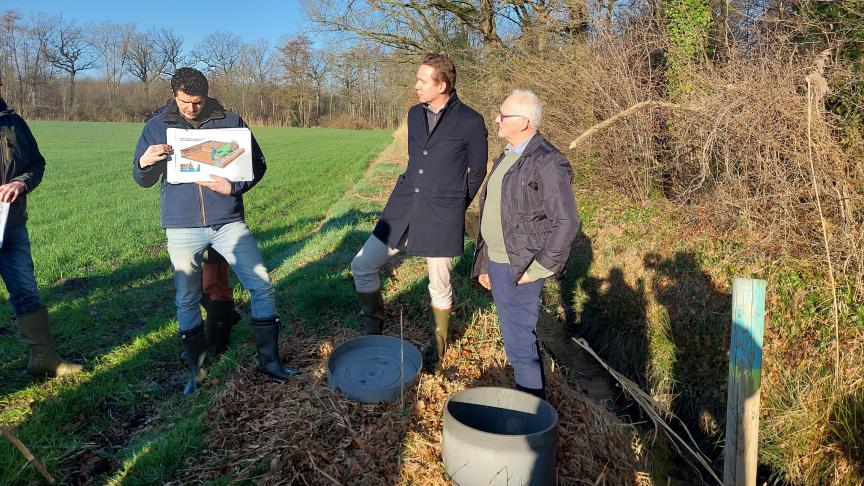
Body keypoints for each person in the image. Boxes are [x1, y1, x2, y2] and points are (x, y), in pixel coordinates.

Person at [133, 68, 297, 395]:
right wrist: (144, 163)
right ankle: (197, 374)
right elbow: (142, 180)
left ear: (206, 96)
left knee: (261, 284)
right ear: (174, 95)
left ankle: (270, 362)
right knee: (187, 297)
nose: (191, 108)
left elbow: (258, 164)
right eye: (184, 102)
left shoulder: (231, 121)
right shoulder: (156, 126)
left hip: (228, 221)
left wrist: (233, 185)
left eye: (197, 102)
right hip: (182, 225)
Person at [350, 53, 488, 372]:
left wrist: (455, 206)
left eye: (422, 81)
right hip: (403, 206)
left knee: (438, 284)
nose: (416, 86)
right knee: (362, 264)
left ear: (442, 84)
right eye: (417, 79)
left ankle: (436, 347)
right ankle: (373, 330)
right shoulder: (414, 115)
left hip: (442, 212)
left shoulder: (470, 121)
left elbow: (478, 171)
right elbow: (418, 160)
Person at [471, 90, 580, 400]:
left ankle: (532, 417)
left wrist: (540, 268)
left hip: (520, 267)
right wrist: (485, 263)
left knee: (519, 344)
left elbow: (567, 222)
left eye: (503, 116)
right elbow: (496, 210)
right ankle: (531, 408)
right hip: (499, 263)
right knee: (514, 338)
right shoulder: (508, 153)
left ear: (525, 122)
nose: (497, 119)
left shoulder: (548, 161)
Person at [0, 75, 82, 377]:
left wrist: (20, 184)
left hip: (11, 224)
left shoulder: (14, 123)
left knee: (26, 291)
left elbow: (37, 164)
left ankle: (43, 357)